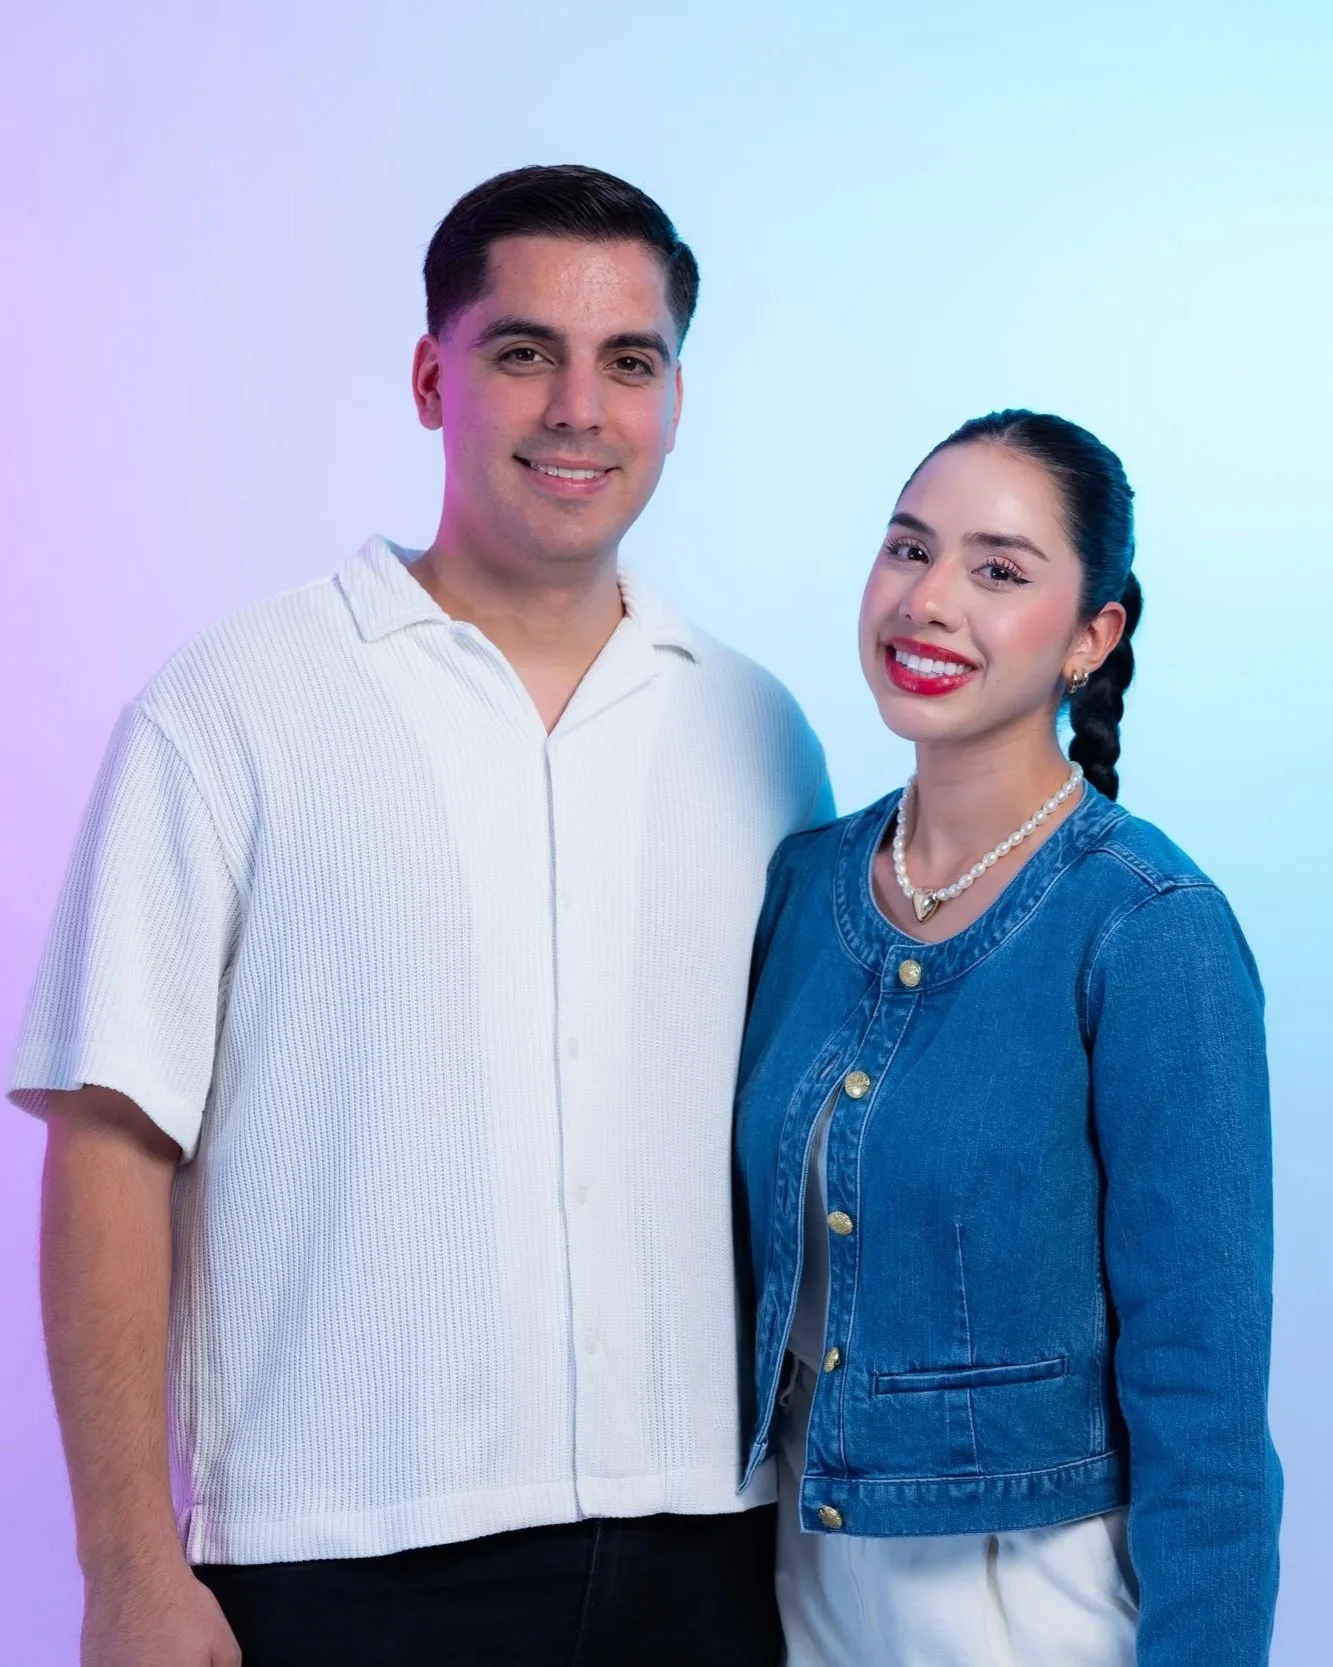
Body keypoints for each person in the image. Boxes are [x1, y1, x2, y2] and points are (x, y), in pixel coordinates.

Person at [10, 164, 831, 1667]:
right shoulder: (235, 706)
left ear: (673, 397)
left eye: (628, 361)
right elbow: (109, 1140)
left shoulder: (763, 736)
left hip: (711, 1564)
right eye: (525, 351)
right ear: (428, 376)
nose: (579, 405)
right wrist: (127, 1564)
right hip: (342, 1575)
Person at [735, 410, 1282, 1666]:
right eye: (906, 549)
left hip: (1032, 1602)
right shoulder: (805, 885)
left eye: (997, 570)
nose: (928, 602)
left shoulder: (1149, 929)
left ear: (1094, 635)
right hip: (802, 1578)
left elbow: (1203, 1399)